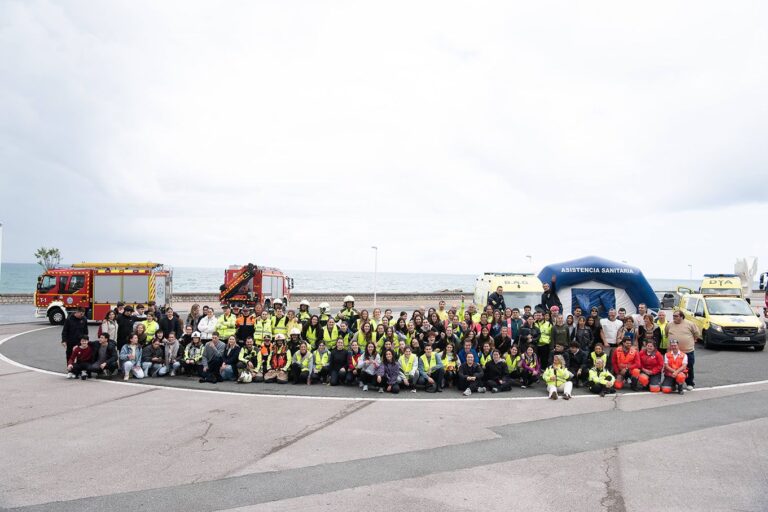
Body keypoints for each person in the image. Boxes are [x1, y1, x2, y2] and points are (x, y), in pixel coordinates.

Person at [665, 311, 699, 390]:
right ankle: (673, 383)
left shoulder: (690, 324)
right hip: (673, 352)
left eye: (676, 316)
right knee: (672, 367)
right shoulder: (669, 324)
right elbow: (667, 334)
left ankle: (689, 383)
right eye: (673, 316)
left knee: (689, 367)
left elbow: (696, 333)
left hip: (687, 351)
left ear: (681, 317)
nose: (674, 317)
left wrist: (691, 340)